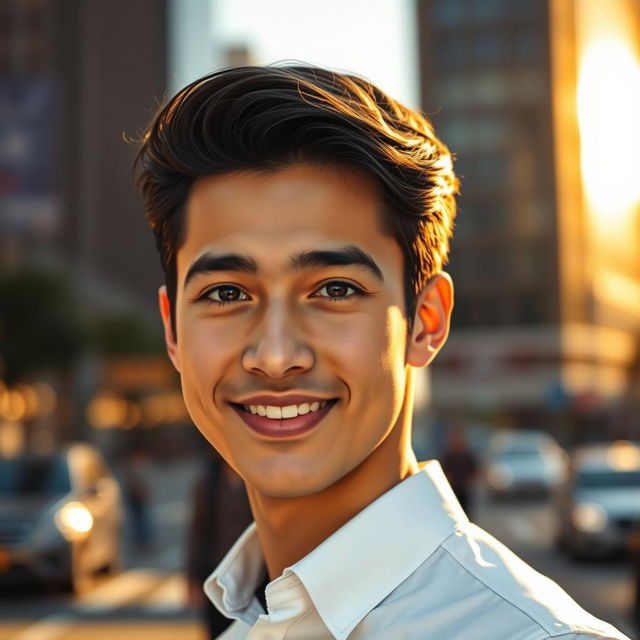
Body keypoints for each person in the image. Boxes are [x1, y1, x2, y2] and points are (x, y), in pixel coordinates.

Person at [134, 64, 628, 639]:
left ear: (425, 320)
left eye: (334, 290)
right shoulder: (246, 627)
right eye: (226, 294)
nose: (273, 356)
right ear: (173, 330)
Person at [186, 449, 253, 638]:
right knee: (216, 630)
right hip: (215, 571)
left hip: (250, 572)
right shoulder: (208, 484)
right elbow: (197, 533)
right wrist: (192, 579)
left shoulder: (256, 481)